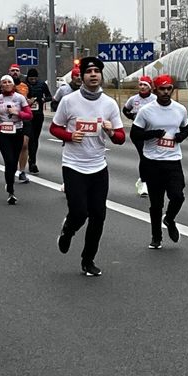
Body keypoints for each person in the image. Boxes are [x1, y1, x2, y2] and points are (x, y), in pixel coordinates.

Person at [50, 57, 126, 276]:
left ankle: (88, 259)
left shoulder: (109, 104)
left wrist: (111, 132)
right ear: (81, 76)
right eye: (89, 71)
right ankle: (68, 229)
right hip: (73, 165)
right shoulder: (69, 101)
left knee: (98, 215)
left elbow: (120, 138)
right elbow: (55, 128)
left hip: (98, 166)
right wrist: (70, 135)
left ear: (101, 76)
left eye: (96, 71)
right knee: (79, 211)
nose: (93, 74)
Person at [130, 75, 188, 249]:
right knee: (156, 203)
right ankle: (156, 237)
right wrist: (153, 134)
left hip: (173, 160)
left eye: (169, 88)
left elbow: (186, 127)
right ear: (155, 90)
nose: (165, 92)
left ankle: (169, 219)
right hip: (153, 161)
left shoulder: (180, 109)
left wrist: (181, 136)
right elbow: (135, 134)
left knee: (178, 196)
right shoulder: (146, 111)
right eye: (162, 89)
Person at [0, 75, 33, 204]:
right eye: (4, 82)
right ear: (1, 85)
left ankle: (10, 182)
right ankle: (11, 190)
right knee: (8, 160)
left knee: (14, 162)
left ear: (13, 85)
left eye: (9, 82)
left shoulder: (19, 98)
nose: (7, 84)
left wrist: (18, 113)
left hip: (17, 132)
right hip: (3, 133)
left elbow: (29, 115)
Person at [122, 75, 157, 197]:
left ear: (150, 87)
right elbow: (125, 110)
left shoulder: (155, 99)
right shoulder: (133, 99)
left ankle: (147, 179)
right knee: (144, 157)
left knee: (152, 158)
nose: (142, 87)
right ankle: (144, 182)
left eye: (145, 85)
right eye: (141, 85)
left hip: (151, 132)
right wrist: (132, 116)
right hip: (138, 133)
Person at [23, 68, 52, 174]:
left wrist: (43, 100)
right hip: (26, 116)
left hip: (38, 115)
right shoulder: (23, 85)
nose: (33, 81)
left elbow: (49, 96)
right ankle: (30, 161)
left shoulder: (42, 84)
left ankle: (32, 161)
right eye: (31, 79)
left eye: (34, 79)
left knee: (35, 139)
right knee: (29, 139)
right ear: (28, 78)